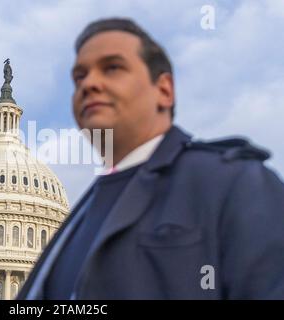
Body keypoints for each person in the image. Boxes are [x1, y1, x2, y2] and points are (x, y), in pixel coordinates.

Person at [17, 17, 284, 299]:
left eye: (112, 68)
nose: (90, 83)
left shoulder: (234, 180)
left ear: (165, 90)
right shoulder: (77, 220)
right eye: (79, 76)